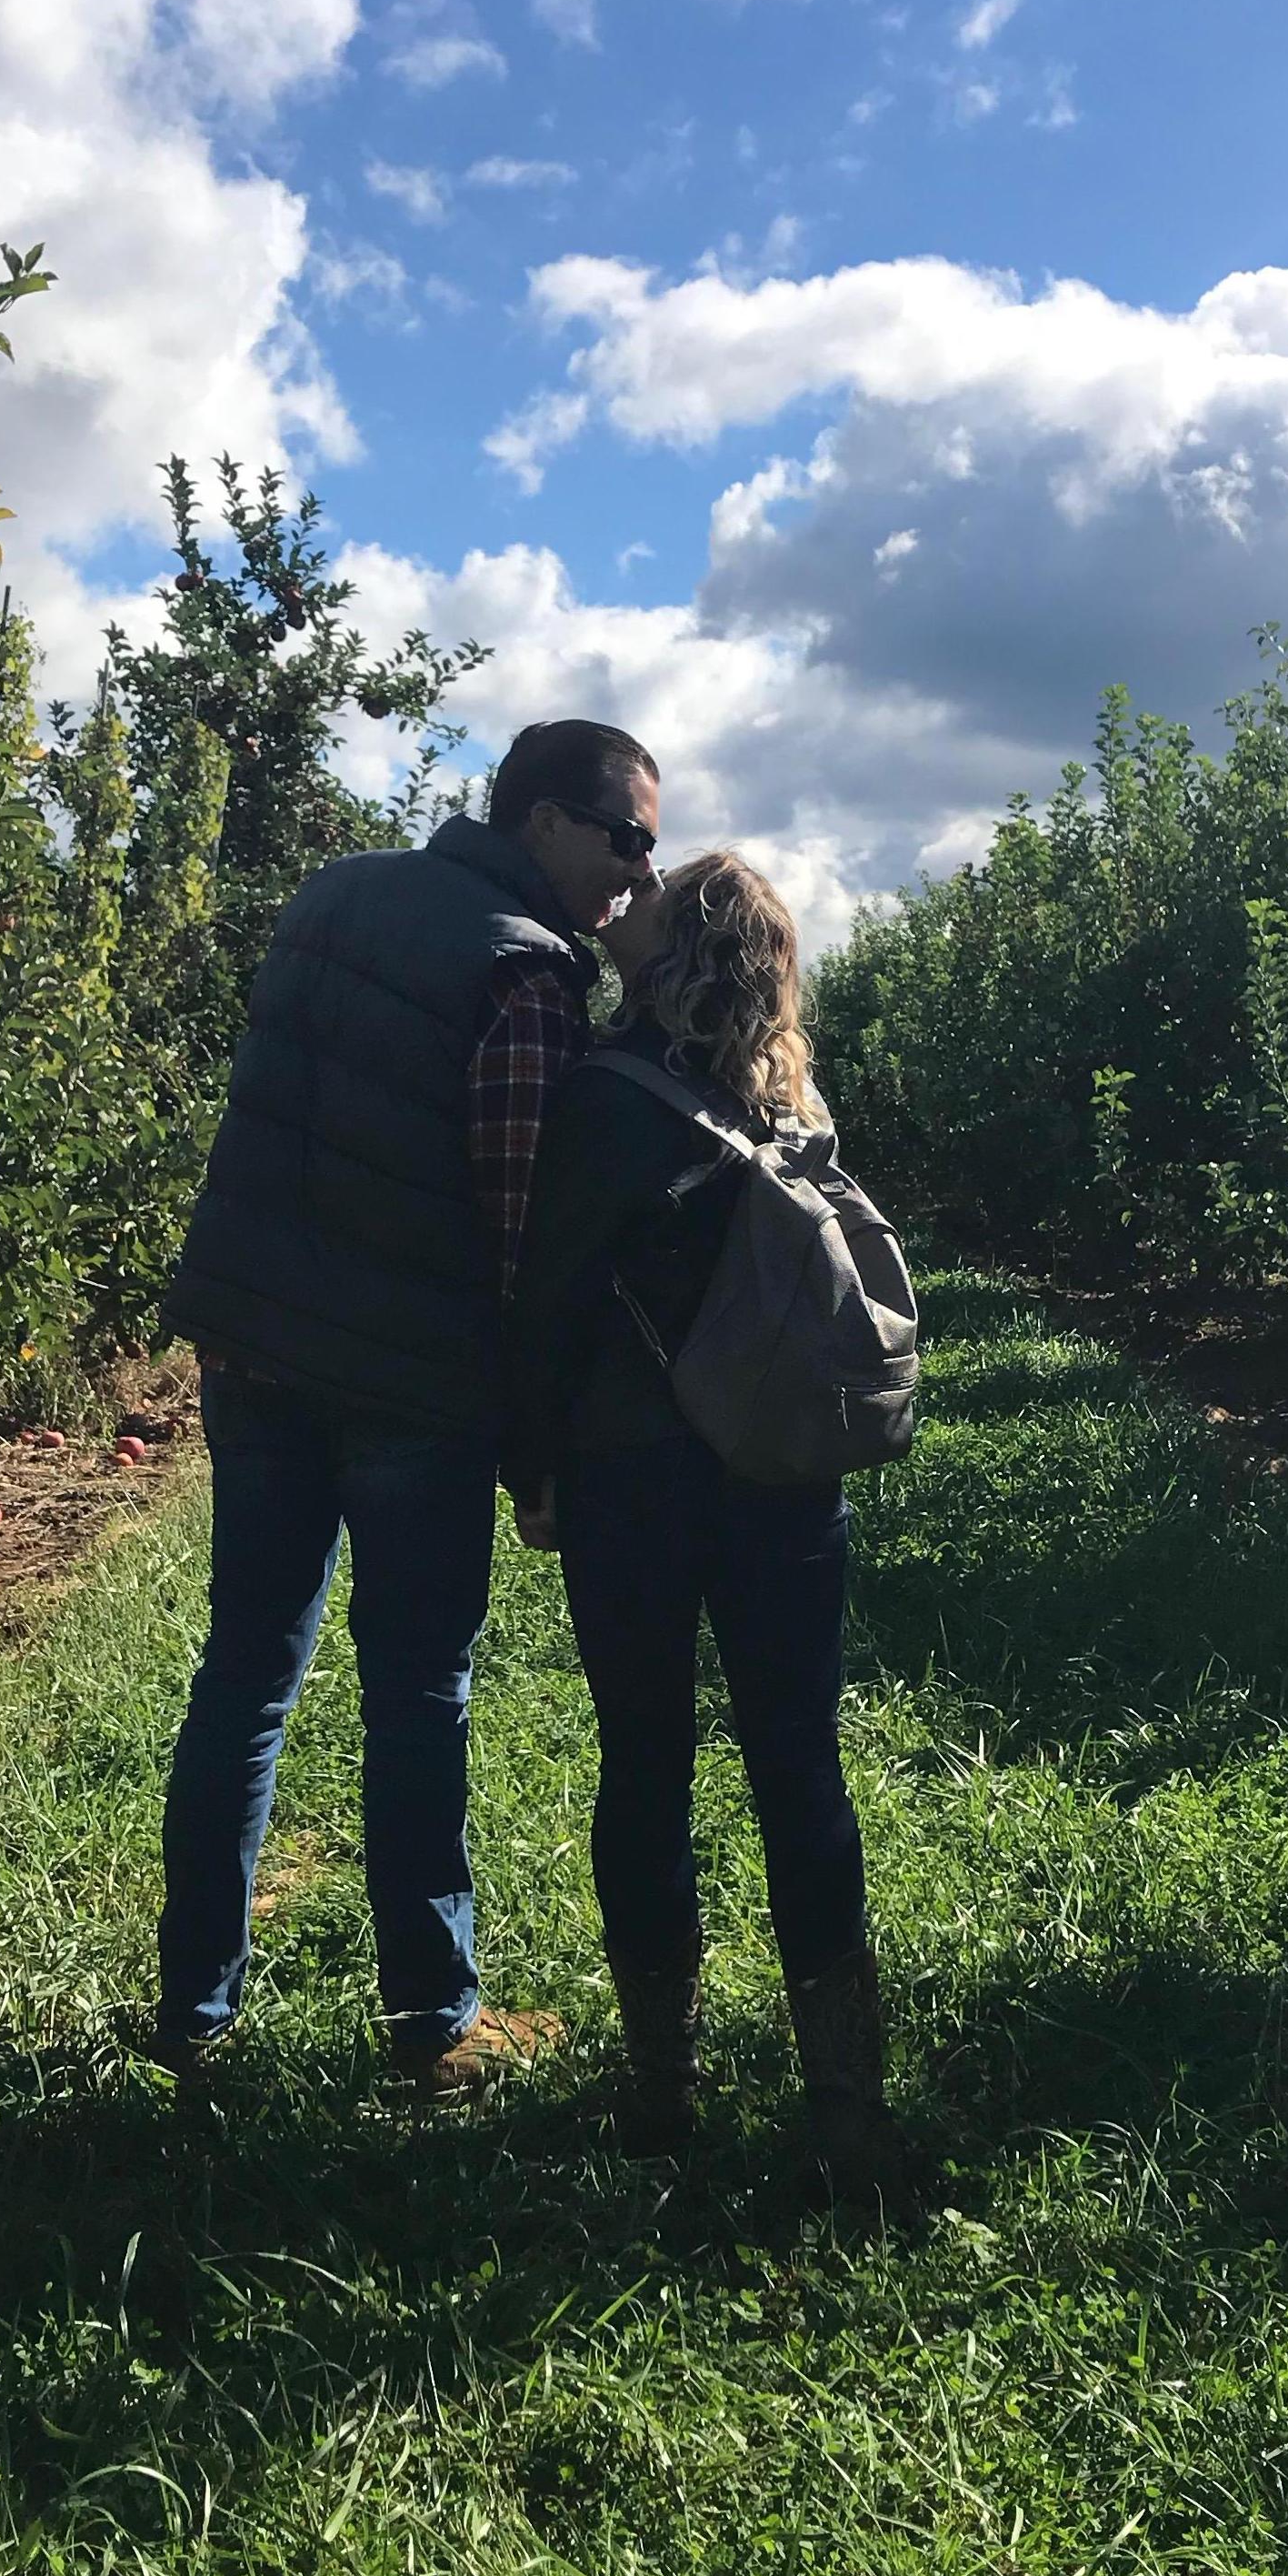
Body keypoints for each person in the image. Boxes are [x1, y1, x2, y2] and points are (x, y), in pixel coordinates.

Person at [152, 719, 661, 2094]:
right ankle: (430, 2025)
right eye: (626, 837)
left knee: (245, 1671)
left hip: (252, 1350)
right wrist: (532, 1437)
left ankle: (191, 2018)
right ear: (544, 821)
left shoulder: (335, 891)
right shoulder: (527, 967)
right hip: (406, 1388)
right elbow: (518, 1227)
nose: (636, 871)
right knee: (416, 1691)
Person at [504, 852, 898, 2192]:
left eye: (652, 898)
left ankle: (662, 2080)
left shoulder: (607, 1101)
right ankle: (843, 2093)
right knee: (800, 1761)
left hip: (635, 1475)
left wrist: (530, 1465)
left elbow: (550, 1297)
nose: (628, 901)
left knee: (647, 1761)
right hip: (785, 1471)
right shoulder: (791, 1096)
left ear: (673, 950)